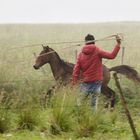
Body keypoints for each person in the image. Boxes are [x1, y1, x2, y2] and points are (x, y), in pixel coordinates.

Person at [72, 34, 121, 110]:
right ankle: (93, 120)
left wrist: (74, 83)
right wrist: (118, 44)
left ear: (85, 42)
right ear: (94, 42)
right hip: (96, 83)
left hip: (85, 83)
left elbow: (76, 70)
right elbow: (112, 56)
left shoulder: (80, 54)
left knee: (79, 104)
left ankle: (80, 119)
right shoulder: (98, 51)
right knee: (93, 105)